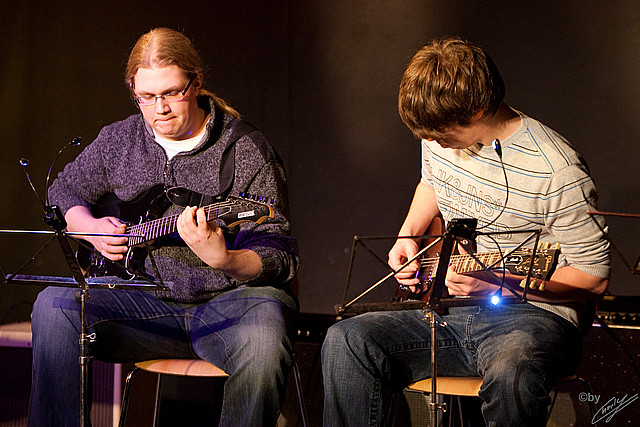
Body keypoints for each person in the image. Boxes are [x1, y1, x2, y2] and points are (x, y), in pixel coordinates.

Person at [322, 37, 610, 426]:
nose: (433, 143)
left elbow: (592, 278)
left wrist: (498, 287)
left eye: (440, 134)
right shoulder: (439, 139)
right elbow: (432, 184)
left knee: (513, 370)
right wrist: (408, 235)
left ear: (476, 110)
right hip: (451, 308)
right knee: (348, 341)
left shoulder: (559, 170)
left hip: (533, 318)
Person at [29, 27, 299, 426]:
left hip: (230, 305)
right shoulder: (119, 140)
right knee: (54, 306)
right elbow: (64, 190)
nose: (161, 109)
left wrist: (225, 258)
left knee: (265, 338)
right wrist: (89, 227)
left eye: (172, 93)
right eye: (147, 97)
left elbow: (279, 255)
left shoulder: (245, 149)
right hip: (142, 302)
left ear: (197, 83)